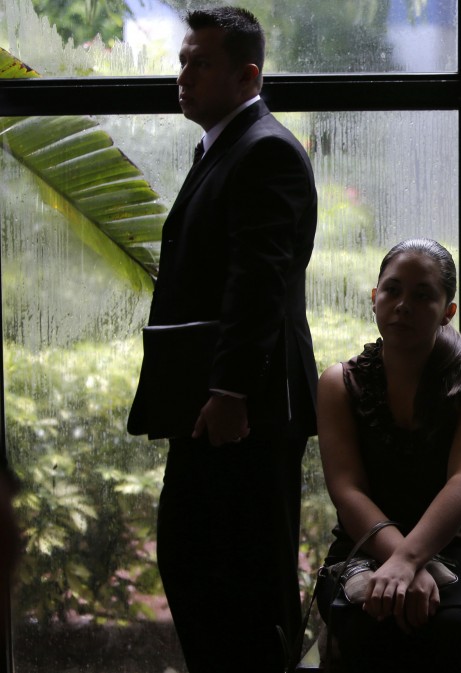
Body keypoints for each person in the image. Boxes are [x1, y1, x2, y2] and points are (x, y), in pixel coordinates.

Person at [126, 7, 319, 672]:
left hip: (244, 412)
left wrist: (231, 388)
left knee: (244, 579)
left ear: (247, 74)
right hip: (216, 406)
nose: (182, 75)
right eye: (182, 60)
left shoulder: (263, 151)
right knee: (197, 565)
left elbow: (259, 281)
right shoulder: (225, 146)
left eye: (199, 63)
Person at [316, 239, 461, 672]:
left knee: (456, 631)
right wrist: (398, 561)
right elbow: (347, 488)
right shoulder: (339, 382)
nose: (403, 305)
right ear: (374, 299)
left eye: (423, 295)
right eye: (392, 290)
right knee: (364, 630)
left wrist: (410, 560)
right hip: (368, 549)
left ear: (449, 310)